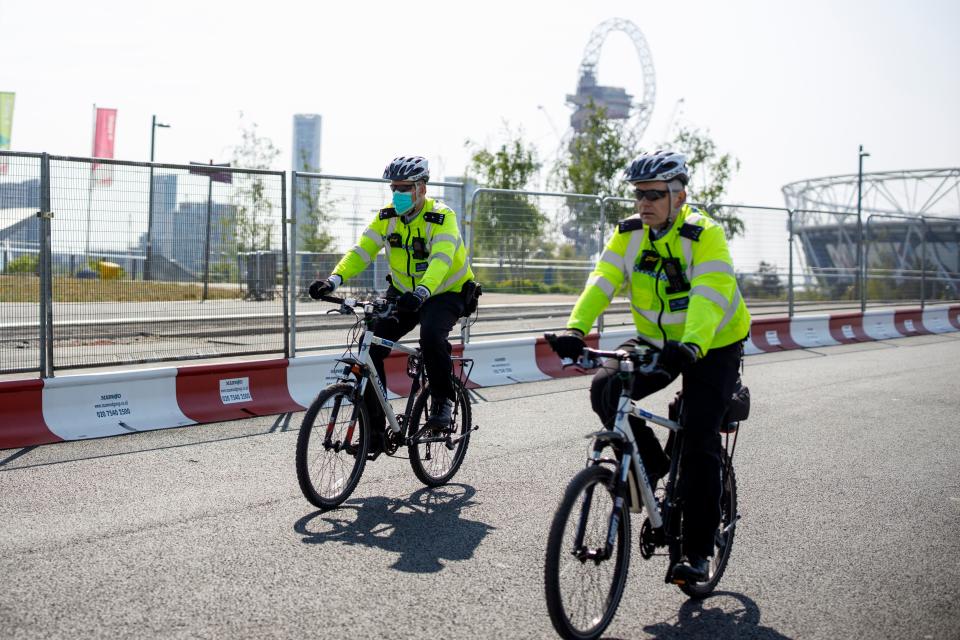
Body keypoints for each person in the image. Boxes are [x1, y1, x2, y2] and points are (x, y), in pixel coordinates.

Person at [549, 150, 751, 583]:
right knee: (605, 389)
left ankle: (696, 552)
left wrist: (692, 344)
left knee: (698, 435)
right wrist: (576, 328)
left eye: (654, 194)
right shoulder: (629, 234)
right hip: (657, 340)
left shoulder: (704, 235)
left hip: (712, 342)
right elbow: (602, 279)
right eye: (639, 194)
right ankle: (654, 467)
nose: (644, 202)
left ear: (679, 196)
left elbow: (711, 293)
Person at [308, 156, 476, 436]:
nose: (397, 194)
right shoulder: (387, 217)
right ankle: (374, 429)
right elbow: (362, 251)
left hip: (445, 292)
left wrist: (423, 291)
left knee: (432, 336)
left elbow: (441, 260)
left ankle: (442, 401)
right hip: (403, 293)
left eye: (404, 188)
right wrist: (333, 280)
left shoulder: (442, 217)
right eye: (393, 188)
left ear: (421, 188)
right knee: (370, 346)